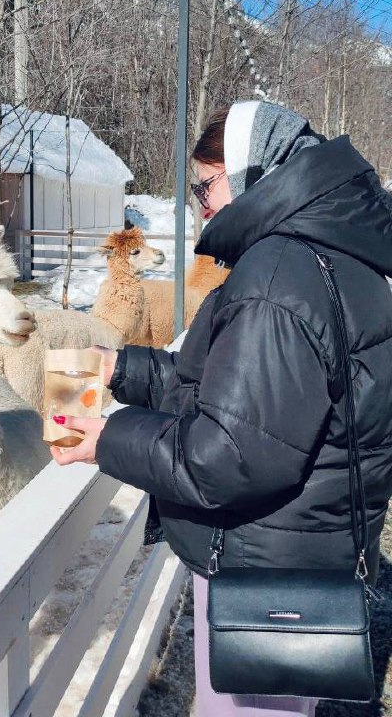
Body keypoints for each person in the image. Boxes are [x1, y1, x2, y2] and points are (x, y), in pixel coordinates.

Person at [49, 101, 392, 717]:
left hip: (265, 576)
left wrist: (107, 438)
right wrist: (121, 370)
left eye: (205, 186)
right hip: (302, 557)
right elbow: (242, 394)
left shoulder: (276, 274)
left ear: (251, 172)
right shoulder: (328, 255)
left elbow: (228, 456)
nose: (201, 206)